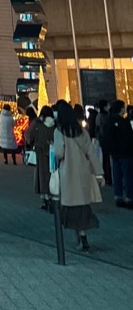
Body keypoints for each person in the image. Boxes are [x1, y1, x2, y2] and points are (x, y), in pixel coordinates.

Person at [53, 101, 100, 251]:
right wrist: (99, 173)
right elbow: (91, 153)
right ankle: (83, 236)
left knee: (71, 208)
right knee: (83, 206)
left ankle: (80, 238)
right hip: (83, 173)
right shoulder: (82, 131)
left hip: (68, 174)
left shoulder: (59, 131)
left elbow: (59, 153)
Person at [107, 98, 133, 208]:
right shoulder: (124, 122)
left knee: (117, 175)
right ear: (121, 109)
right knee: (128, 176)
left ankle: (118, 196)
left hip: (114, 153)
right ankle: (129, 198)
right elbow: (129, 137)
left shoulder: (109, 121)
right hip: (125, 153)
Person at [32, 105, 56, 209]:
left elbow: (30, 135)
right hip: (53, 153)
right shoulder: (55, 125)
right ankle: (53, 197)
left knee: (43, 176)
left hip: (41, 154)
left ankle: (45, 199)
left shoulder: (39, 125)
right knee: (53, 175)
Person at [95, 100, 112, 184]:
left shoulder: (100, 116)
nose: (109, 107)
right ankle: (108, 177)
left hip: (103, 140)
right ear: (104, 107)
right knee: (106, 160)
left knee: (106, 159)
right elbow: (100, 130)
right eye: (108, 105)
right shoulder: (102, 116)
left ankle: (107, 177)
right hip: (105, 140)